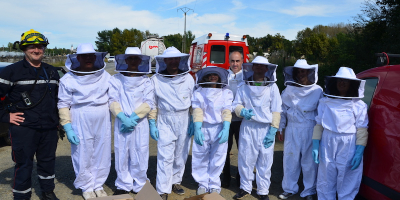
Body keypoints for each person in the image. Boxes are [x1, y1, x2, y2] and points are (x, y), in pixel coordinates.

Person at [0, 29, 59, 200]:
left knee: (48, 163)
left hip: (48, 128)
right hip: (23, 129)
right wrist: (5, 117)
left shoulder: (52, 71)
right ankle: (21, 196)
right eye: (31, 46)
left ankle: (48, 192)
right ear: (24, 49)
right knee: (24, 164)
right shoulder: (10, 71)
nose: (36, 50)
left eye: (40, 46)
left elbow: (59, 99)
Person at [58, 43, 112, 200]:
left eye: (91, 56)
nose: (88, 59)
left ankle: (98, 184)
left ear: (96, 57)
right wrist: (67, 126)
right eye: (84, 56)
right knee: (82, 152)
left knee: (102, 151)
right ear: (77, 58)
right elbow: (63, 104)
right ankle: (86, 186)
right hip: (80, 116)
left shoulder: (105, 76)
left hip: (103, 116)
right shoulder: (68, 79)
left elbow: (114, 97)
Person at [312, 67, 369, 200]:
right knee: (326, 175)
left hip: (348, 142)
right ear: (334, 82)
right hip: (328, 140)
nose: (341, 83)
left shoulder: (359, 105)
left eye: (345, 81)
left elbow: (362, 129)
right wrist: (315, 144)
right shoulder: (325, 102)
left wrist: (360, 149)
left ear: (352, 84)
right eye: (339, 80)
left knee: (347, 177)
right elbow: (319, 125)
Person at [232, 56, 282, 200]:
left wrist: (273, 130)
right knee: (246, 159)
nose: (259, 68)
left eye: (262, 66)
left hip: (266, 128)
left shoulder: (272, 86)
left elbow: (276, 110)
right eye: (257, 66)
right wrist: (242, 111)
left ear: (267, 69)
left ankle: (263, 190)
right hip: (248, 126)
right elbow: (236, 104)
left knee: (265, 161)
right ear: (252, 67)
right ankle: (245, 187)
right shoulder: (243, 85)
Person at [149, 47, 195, 200]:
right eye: (170, 59)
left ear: (180, 60)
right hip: (165, 119)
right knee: (165, 155)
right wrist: (152, 123)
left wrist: (194, 120)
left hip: (184, 119)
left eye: (176, 59)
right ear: (165, 61)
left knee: (180, 154)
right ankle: (163, 188)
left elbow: (193, 102)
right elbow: (153, 104)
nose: (174, 61)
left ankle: (175, 181)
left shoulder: (188, 78)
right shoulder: (155, 79)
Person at [109, 47, 155, 195]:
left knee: (141, 152)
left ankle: (140, 183)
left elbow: (149, 102)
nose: (133, 61)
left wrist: (133, 118)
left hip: (139, 123)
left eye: (136, 58)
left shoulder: (146, 81)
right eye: (131, 58)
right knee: (122, 152)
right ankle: (123, 184)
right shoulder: (116, 79)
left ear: (141, 60)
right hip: (122, 123)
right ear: (126, 60)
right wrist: (123, 118)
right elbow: (112, 100)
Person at [277, 59, 323, 200]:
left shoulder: (317, 90)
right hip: (292, 128)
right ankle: (289, 188)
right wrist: (280, 128)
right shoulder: (289, 90)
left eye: (304, 71)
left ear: (309, 73)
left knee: (309, 162)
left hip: (310, 129)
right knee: (290, 160)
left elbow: (321, 114)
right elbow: (282, 110)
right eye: (298, 72)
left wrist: (319, 134)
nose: (301, 74)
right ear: (294, 74)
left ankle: (309, 190)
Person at [191, 66, 233, 195]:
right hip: (203, 126)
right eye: (210, 75)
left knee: (218, 157)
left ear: (220, 77)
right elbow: (198, 109)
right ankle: (202, 183)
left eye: (215, 75)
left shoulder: (226, 92)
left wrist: (226, 127)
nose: (213, 77)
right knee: (200, 156)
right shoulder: (199, 92)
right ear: (206, 77)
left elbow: (226, 110)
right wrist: (197, 128)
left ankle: (214, 184)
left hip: (219, 127)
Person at [222, 51, 244, 188]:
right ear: (229, 61)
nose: (235, 64)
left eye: (237, 61)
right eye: (232, 61)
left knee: (243, 149)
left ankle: (241, 177)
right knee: (225, 149)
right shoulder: (224, 75)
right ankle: (226, 178)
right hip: (227, 120)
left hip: (242, 119)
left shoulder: (247, 76)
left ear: (242, 61)